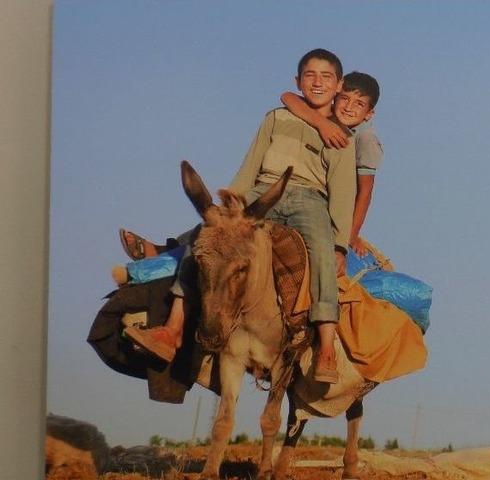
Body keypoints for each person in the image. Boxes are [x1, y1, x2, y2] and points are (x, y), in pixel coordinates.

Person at [123, 48, 356, 384]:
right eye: (310, 75)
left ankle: (326, 346)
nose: (317, 82)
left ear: (339, 85)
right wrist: (230, 207)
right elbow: (251, 165)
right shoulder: (276, 117)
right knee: (209, 237)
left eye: (326, 77)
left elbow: (343, 195)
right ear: (298, 81)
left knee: (320, 252)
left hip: (310, 199)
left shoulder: (342, 137)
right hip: (263, 192)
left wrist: (339, 245)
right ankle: (172, 329)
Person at [279, 71, 383, 257]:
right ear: (335, 96)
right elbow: (287, 97)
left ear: (369, 114)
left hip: (337, 209)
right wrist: (320, 123)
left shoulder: (365, 139)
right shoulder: (326, 117)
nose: (349, 107)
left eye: (359, 104)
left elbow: (365, 191)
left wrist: (350, 236)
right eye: (344, 99)